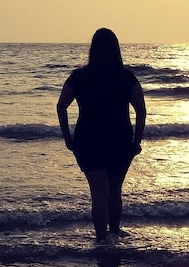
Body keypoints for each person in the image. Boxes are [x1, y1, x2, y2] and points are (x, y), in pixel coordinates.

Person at [57, 28, 146, 242]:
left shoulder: (79, 76)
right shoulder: (126, 77)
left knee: (99, 193)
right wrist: (136, 141)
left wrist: (67, 138)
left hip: (88, 140)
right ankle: (114, 233)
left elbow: (61, 106)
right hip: (120, 140)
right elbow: (141, 110)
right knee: (115, 190)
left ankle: (101, 240)